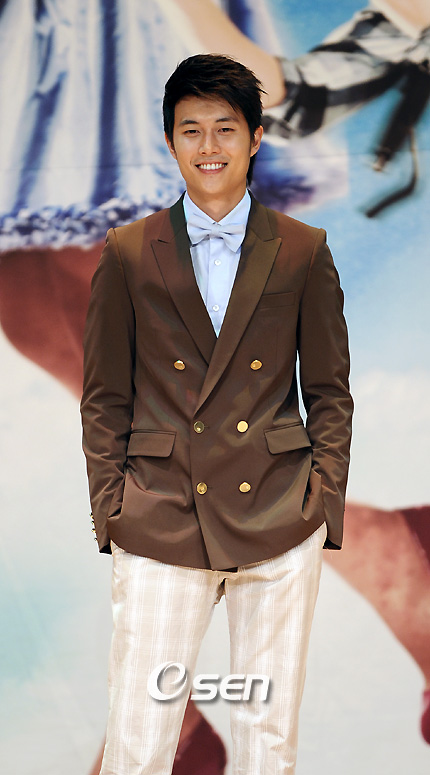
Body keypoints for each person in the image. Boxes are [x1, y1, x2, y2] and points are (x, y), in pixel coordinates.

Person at [80, 54, 353, 774]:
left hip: (279, 514)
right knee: (139, 738)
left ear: (256, 138)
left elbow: (329, 391)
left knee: (268, 738)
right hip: (160, 513)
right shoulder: (129, 251)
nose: (209, 147)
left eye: (225, 129)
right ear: (170, 141)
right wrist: (112, 510)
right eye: (191, 130)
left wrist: (323, 500)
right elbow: (105, 396)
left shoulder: (303, 249)